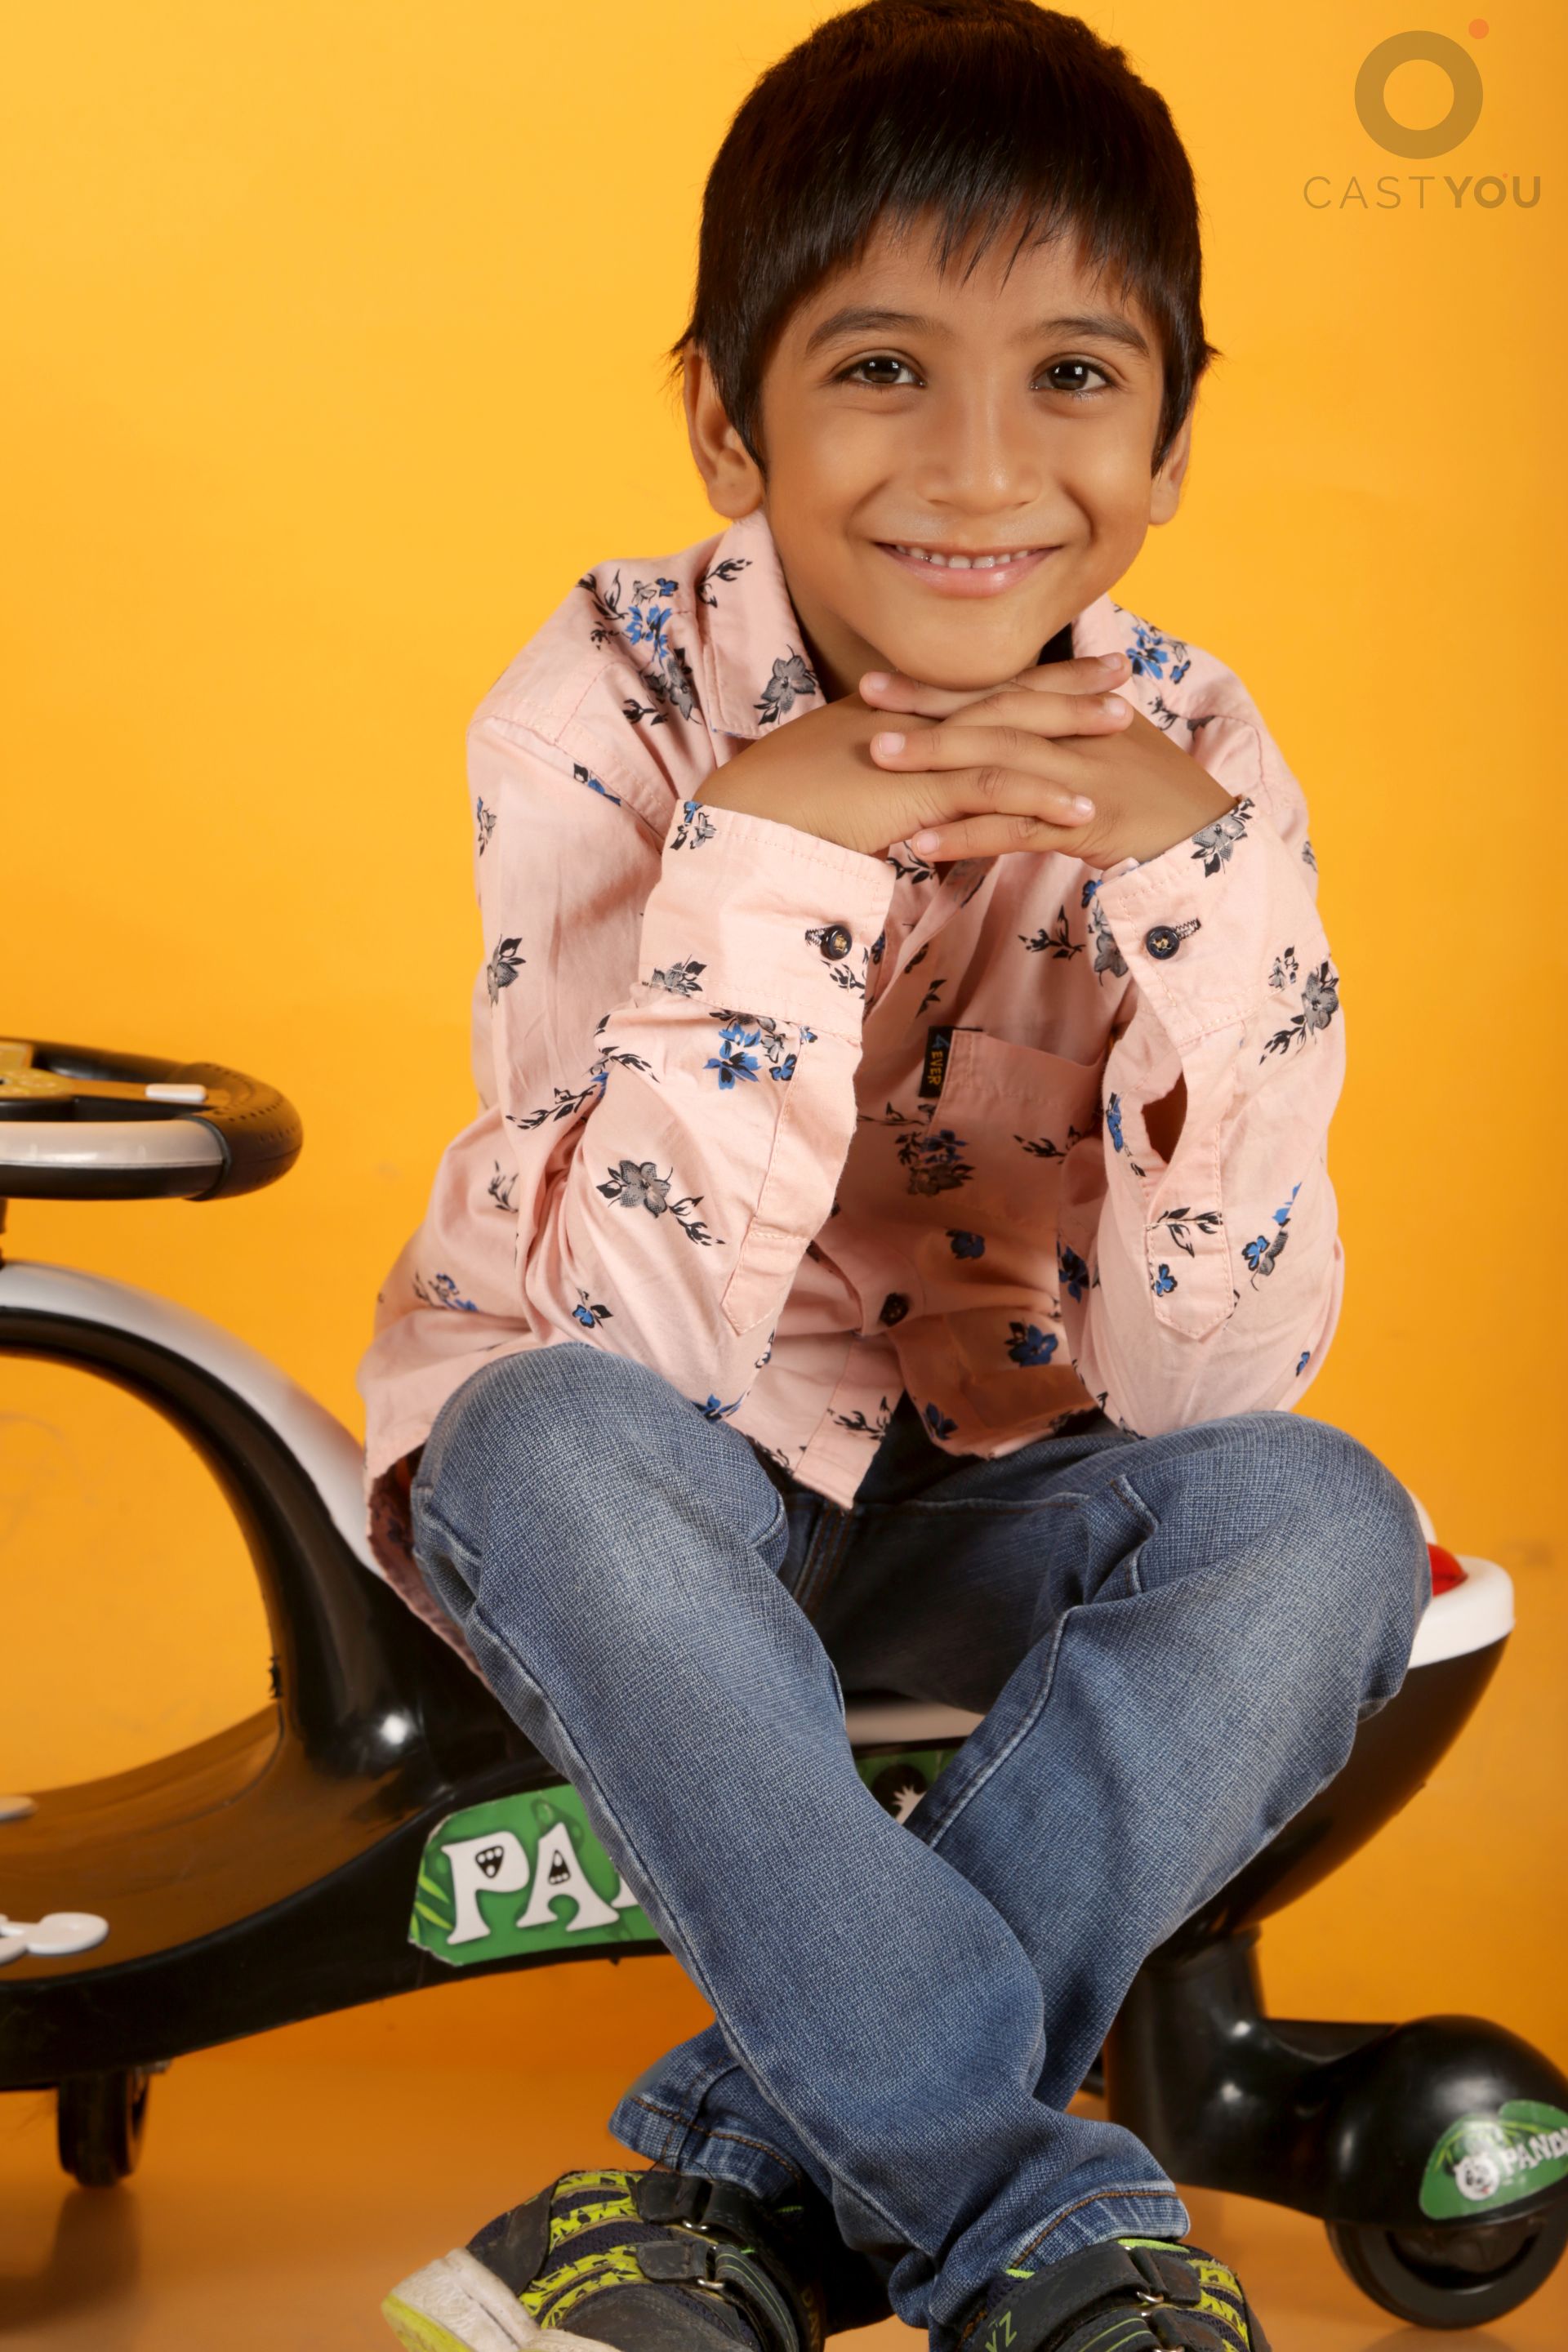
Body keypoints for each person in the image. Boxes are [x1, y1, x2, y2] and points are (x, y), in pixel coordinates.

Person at [356, 6, 1429, 2350]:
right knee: (534, 1441)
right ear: (728, 421)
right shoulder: (601, 709)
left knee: (1323, 1517)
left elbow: (1213, 1384)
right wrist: (775, 849)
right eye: (878, 370)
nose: (980, 467)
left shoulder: (1200, 756)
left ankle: (728, 2197)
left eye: (1073, 377)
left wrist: (1210, 897)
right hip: (657, 1519)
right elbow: (622, 1346)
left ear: (1169, 441)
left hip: (1000, 1497)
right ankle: (1039, 2226)